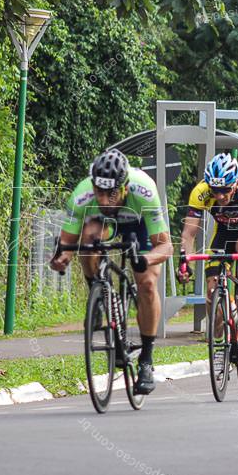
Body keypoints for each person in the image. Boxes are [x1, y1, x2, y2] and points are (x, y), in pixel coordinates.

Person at [50, 148, 173, 395]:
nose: (105, 200)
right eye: (99, 192)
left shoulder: (145, 190)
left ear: (125, 187)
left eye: (112, 193)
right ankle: (98, 292)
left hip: (137, 224)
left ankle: (146, 361)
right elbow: (66, 243)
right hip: (105, 225)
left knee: (147, 282)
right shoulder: (82, 195)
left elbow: (166, 245)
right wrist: (61, 258)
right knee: (87, 239)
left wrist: (145, 259)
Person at [177, 152, 238, 335]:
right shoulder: (201, 193)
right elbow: (189, 233)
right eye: (215, 190)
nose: (220, 196)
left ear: (235, 183)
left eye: (225, 190)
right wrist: (185, 263)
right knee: (211, 291)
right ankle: (221, 338)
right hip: (223, 232)